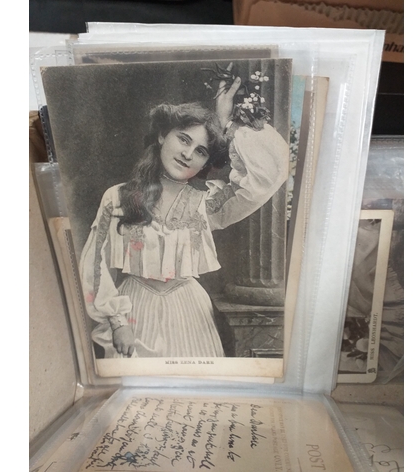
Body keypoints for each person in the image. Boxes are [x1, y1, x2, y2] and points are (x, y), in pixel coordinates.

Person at [79, 74, 289, 358]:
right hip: (134, 312)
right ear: (162, 135)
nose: (188, 154)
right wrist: (117, 321)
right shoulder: (118, 197)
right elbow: (95, 263)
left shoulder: (205, 202)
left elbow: (270, 173)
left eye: (200, 151)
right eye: (183, 139)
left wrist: (227, 123)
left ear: (205, 161)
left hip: (190, 315)